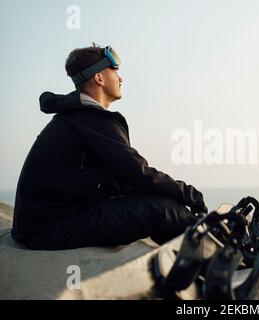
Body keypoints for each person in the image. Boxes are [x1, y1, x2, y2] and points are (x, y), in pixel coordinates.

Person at [11, 43, 207, 250]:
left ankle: (205, 243)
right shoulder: (90, 119)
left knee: (158, 202)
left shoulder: (78, 117)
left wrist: (173, 196)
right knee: (161, 211)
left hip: (48, 221)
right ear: (99, 78)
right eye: (115, 71)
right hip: (49, 228)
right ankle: (217, 254)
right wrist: (191, 195)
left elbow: (122, 181)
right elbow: (138, 173)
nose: (120, 78)